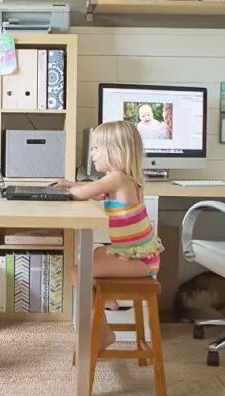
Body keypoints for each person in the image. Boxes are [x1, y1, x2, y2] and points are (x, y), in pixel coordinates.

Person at [51, 120, 164, 348]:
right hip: (137, 254)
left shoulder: (116, 178)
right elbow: (96, 192)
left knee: (77, 272)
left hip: (139, 262)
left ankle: (103, 333)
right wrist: (71, 183)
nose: (92, 154)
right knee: (96, 253)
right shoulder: (123, 178)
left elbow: (83, 192)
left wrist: (71, 188)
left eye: (96, 148)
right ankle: (108, 299)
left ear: (114, 151)